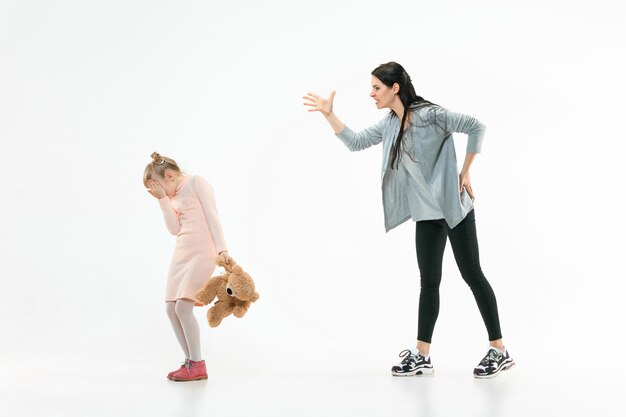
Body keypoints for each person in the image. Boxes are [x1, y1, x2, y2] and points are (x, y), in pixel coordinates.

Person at [303, 62, 514, 379]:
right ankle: (422, 354)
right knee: (429, 283)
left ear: (394, 88)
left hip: (454, 208)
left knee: (472, 274)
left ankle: (499, 350)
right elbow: (356, 142)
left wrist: (466, 170)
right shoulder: (389, 124)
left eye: (376, 87)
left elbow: (475, 126)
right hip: (427, 214)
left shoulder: (431, 115)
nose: (371, 93)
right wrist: (328, 113)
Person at [144, 152, 232, 381]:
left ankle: (197, 363)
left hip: (202, 253)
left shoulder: (196, 183)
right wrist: (163, 200)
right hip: (182, 254)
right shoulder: (171, 197)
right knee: (170, 309)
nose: (159, 192)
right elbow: (174, 229)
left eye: (158, 186)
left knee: (183, 308)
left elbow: (213, 217)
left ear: (170, 176)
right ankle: (189, 362)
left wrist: (222, 250)